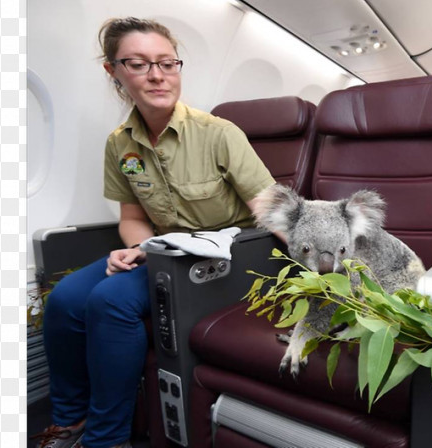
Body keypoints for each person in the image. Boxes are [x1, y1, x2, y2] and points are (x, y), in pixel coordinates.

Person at [31, 17, 276, 448]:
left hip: (226, 260)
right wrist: (137, 247)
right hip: (162, 254)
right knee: (66, 299)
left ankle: (106, 439)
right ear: (114, 71)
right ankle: (71, 422)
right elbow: (131, 215)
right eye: (139, 64)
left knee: (110, 301)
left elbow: (274, 213)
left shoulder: (218, 134)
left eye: (167, 63)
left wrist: (338, 274)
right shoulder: (119, 144)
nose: (158, 75)